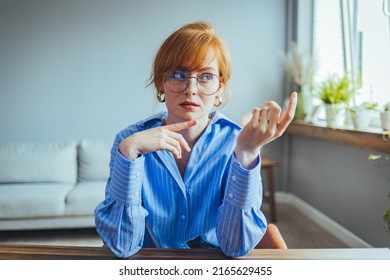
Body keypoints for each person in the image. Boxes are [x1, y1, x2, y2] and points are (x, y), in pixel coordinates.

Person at [94, 21, 297, 258]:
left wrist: (247, 154)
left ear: (220, 87)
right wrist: (129, 153)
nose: (191, 89)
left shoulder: (238, 141)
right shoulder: (128, 141)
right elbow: (122, 245)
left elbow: (236, 246)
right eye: (179, 75)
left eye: (205, 76)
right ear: (161, 82)